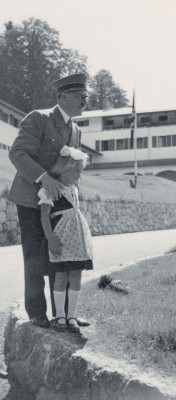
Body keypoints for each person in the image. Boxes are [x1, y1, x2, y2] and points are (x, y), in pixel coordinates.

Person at [8, 73, 91, 328]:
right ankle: (36, 313)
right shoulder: (39, 118)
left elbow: (69, 168)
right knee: (34, 256)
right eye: (79, 96)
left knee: (62, 256)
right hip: (32, 200)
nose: (84, 102)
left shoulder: (75, 129)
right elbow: (17, 153)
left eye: (86, 97)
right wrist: (44, 178)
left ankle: (64, 315)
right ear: (61, 97)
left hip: (61, 206)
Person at [39, 146, 93, 333]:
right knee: (61, 275)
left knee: (76, 274)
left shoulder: (74, 188)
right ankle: (60, 316)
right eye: (75, 171)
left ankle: (72, 316)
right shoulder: (50, 190)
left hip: (77, 237)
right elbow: (44, 217)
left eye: (80, 171)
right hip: (60, 237)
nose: (79, 175)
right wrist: (51, 239)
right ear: (63, 168)